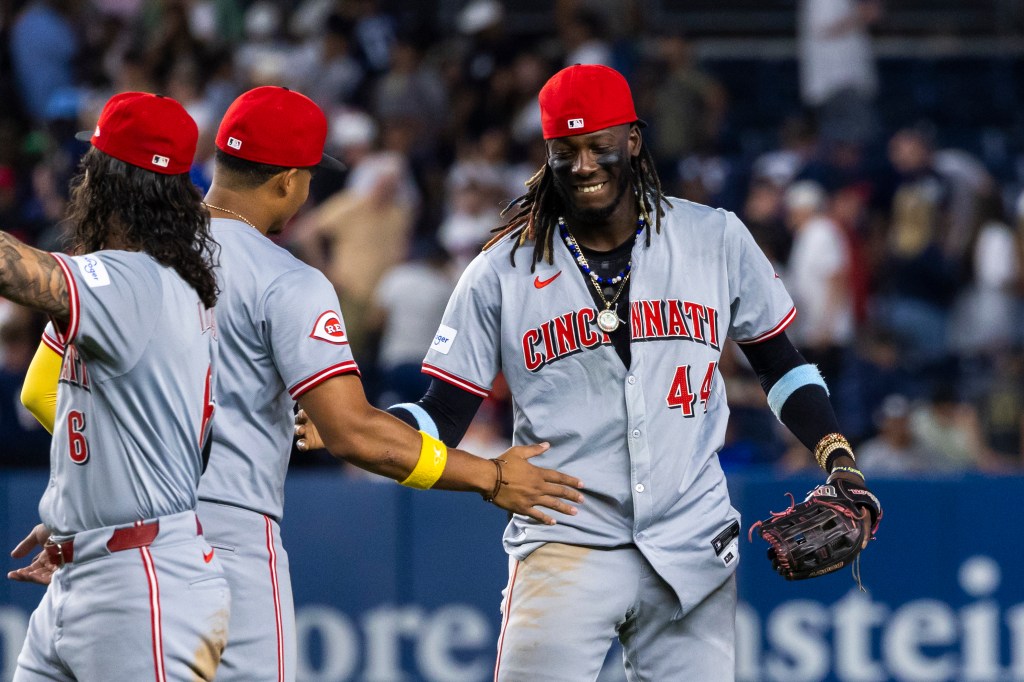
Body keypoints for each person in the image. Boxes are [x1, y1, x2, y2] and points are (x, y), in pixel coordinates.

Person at [297, 64, 882, 680]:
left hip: (692, 542)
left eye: (599, 144)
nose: (584, 165)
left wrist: (838, 459)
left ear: (632, 138)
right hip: (565, 541)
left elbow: (781, 367)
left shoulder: (713, 238)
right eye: (564, 150)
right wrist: (364, 423)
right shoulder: (502, 268)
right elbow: (441, 415)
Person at [14, 86, 584, 682]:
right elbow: (355, 435)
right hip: (229, 543)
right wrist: (492, 477)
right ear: (289, 181)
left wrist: (119, 482)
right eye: (309, 178)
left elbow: (42, 392)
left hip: (127, 533)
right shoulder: (286, 280)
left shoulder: (134, 258)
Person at [3, 92, 228, 680]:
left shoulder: (130, 281)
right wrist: (82, 509)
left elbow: (14, 271)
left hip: (142, 584)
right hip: (93, 564)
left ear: (104, 180)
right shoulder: (156, 278)